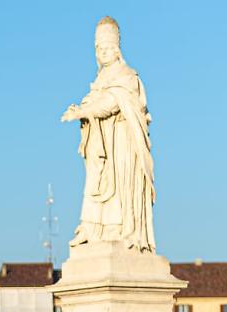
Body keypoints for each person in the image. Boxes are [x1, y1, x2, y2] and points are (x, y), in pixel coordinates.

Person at [61, 16, 156, 253]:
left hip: (122, 142)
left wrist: (83, 111)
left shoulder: (127, 76)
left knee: (117, 189)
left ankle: (118, 228)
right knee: (96, 183)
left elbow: (111, 103)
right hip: (102, 143)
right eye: (98, 49)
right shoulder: (100, 79)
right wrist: (82, 108)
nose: (102, 53)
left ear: (116, 50)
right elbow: (95, 100)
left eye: (106, 48)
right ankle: (91, 227)